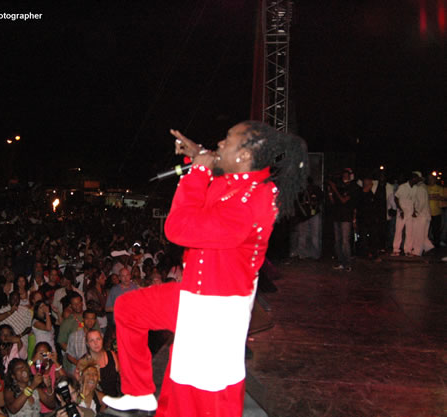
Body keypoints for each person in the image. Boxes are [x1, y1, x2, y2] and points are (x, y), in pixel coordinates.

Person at [103, 121, 307, 417]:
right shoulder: (243, 180)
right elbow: (218, 170)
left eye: (227, 140)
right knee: (128, 309)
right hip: (197, 293)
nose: (219, 144)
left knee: (196, 396)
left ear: (245, 156)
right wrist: (199, 153)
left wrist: (196, 172)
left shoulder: (253, 202)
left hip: (215, 311)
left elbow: (178, 228)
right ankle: (139, 392)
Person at [327, 168, 357, 271]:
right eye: (343, 174)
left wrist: (334, 189)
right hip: (337, 216)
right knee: (337, 241)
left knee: (345, 241)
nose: (345, 176)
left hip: (346, 217)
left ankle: (347, 263)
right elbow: (333, 201)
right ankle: (340, 262)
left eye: (346, 174)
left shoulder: (353, 187)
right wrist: (330, 192)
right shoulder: (339, 185)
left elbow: (344, 200)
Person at [84, 329, 120, 397]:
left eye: (98, 339)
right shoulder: (84, 362)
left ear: (102, 340)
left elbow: (121, 376)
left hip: (115, 398)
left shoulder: (111, 355)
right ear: (87, 344)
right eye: (92, 340)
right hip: (98, 403)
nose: (96, 343)